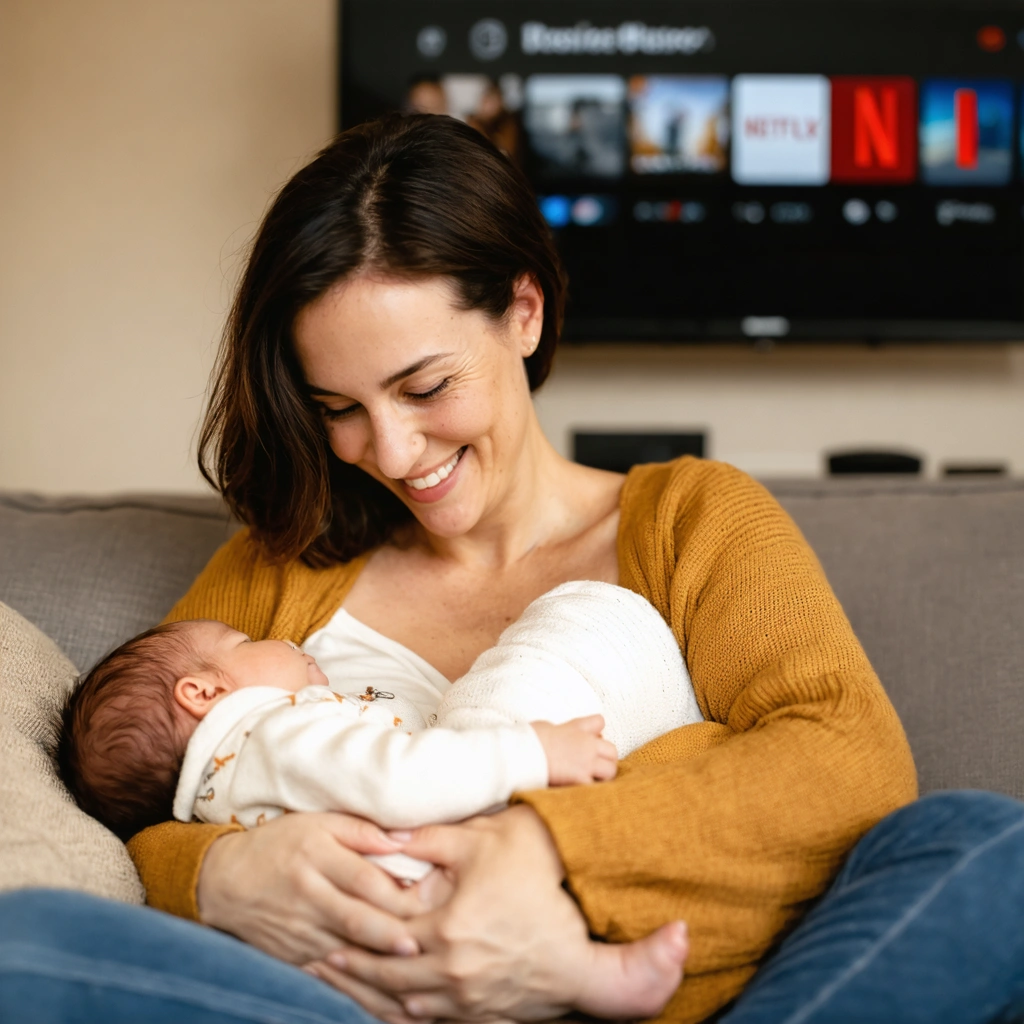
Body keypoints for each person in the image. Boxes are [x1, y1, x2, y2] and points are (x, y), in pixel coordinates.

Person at [5, 114, 1024, 1024]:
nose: (393, 452)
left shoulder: (691, 520)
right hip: (353, 1000)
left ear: (522, 313)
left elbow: (847, 764)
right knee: (27, 941)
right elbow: (143, 798)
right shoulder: (281, 563)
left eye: (426, 385)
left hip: (662, 996)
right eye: (340, 409)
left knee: (987, 848)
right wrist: (225, 871)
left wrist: (542, 853)